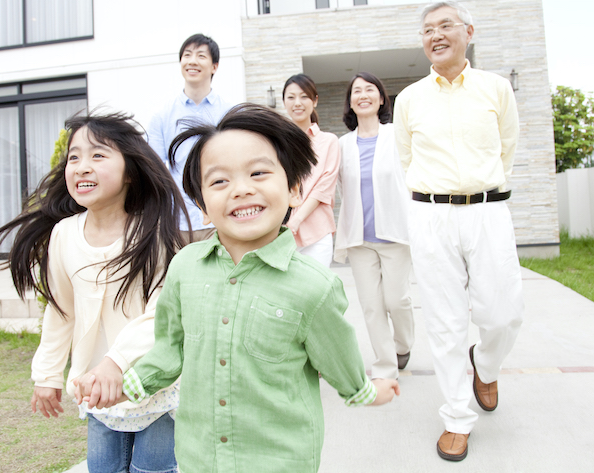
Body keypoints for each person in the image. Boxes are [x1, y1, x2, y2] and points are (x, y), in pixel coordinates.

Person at [76, 103, 400, 473]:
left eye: (259, 173)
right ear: (201, 206)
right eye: (219, 181)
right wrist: (129, 386)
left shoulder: (315, 286)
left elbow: (339, 359)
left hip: (280, 461)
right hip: (200, 459)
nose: (242, 190)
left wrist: (366, 391)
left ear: (294, 189)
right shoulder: (185, 268)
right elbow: (170, 349)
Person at [0, 113, 188, 473]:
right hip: (95, 387)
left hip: (154, 384)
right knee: (103, 469)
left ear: (130, 171)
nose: (82, 166)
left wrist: (115, 364)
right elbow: (60, 310)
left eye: (98, 155)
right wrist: (48, 375)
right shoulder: (64, 235)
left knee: (154, 470)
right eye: (74, 157)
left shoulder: (152, 232)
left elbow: (163, 315)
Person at [394, 0, 524, 462]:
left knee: (504, 313)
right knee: (445, 322)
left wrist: (479, 188)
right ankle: (455, 417)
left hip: (487, 211)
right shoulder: (409, 99)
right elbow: (406, 158)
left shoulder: (495, 87)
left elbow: (507, 146)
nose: (436, 35)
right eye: (427, 29)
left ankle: (484, 365)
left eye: (445, 25)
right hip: (431, 215)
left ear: (468, 31)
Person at [333, 72, 415, 382]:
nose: (363, 95)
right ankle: (385, 367)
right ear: (350, 103)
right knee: (371, 306)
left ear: (381, 99)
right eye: (356, 91)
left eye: (370, 90)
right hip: (359, 239)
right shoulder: (342, 145)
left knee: (397, 300)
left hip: (395, 234)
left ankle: (404, 344)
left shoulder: (397, 135)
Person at [147, 33, 231, 243]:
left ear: (214, 66)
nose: (192, 61)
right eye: (187, 55)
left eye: (201, 56)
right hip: (177, 222)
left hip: (220, 217)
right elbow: (153, 169)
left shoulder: (229, 113)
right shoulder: (162, 116)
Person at [282, 73, 340, 267]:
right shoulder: (276, 142)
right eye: (291, 97)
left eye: (304, 96)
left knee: (317, 292)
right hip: (281, 233)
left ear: (315, 101)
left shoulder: (328, 141)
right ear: (284, 102)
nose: (297, 102)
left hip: (317, 231)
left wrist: (296, 221)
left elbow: (323, 188)